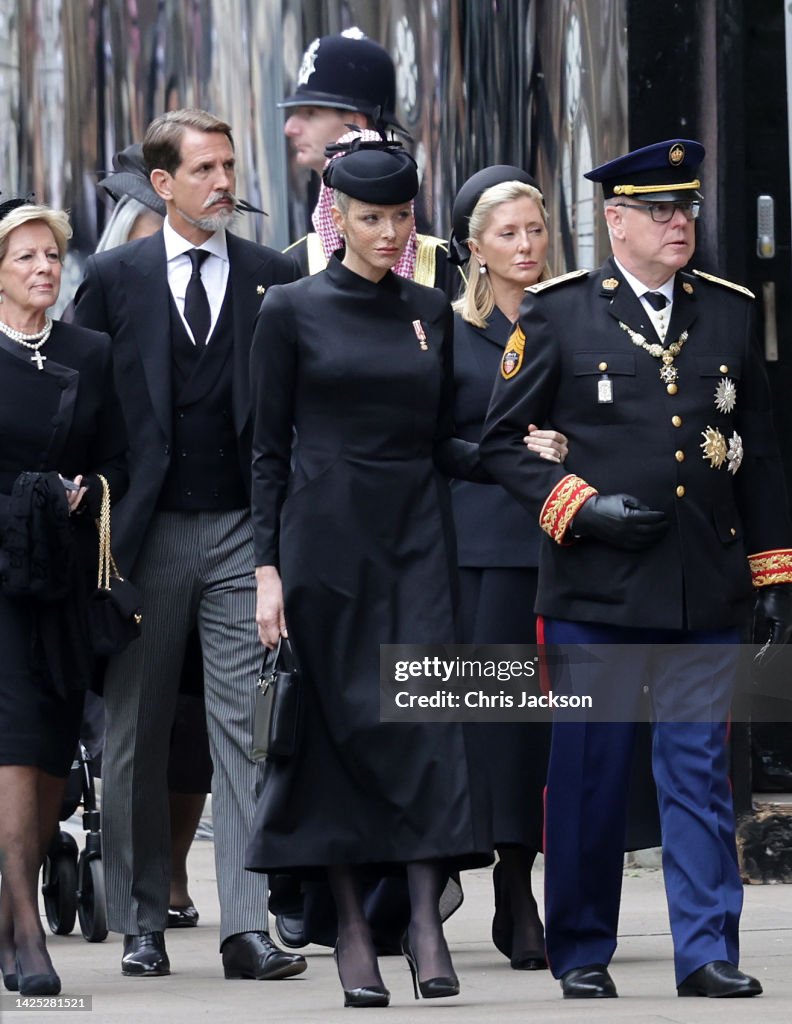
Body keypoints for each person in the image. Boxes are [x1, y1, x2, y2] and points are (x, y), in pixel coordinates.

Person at [480, 138, 792, 999]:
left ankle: (708, 950)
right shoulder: (557, 314)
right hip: (596, 587)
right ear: (614, 221)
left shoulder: (728, 311)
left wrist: (772, 573)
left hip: (704, 581)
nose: (678, 223)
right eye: (659, 210)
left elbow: (758, 451)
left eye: (685, 208)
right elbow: (502, 443)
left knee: (698, 770)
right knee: (591, 772)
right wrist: (580, 506)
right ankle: (580, 947)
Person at [245, 137, 493, 1009]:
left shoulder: (430, 308)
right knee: (339, 733)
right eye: (370, 218)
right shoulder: (289, 309)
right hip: (325, 545)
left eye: (400, 218)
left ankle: (424, 919)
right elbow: (267, 453)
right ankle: (351, 926)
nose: (388, 233)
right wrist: (266, 571)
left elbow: (448, 443)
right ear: (336, 218)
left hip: (419, 539)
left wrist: (522, 450)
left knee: (427, 722)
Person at [72, 108, 305, 981]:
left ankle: (246, 925)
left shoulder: (270, 277)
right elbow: (81, 399)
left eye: (229, 167)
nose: (223, 184)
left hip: (244, 530)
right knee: (132, 732)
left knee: (244, 731)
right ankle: (141, 919)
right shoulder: (114, 277)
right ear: (162, 183)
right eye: (204, 169)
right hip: (147, 534)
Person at [0, 198, 127, 996]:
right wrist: (34, 494)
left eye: (53, 256)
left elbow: (123, 456)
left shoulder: (92, 351)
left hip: (66, 580)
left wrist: (88, 496)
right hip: (0, 580)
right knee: (13, 746)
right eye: (25, 259)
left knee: (51, 752)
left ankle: (12, 904)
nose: (45, 269)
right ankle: (24, 929)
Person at [95, 142, 214, 929]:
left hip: (226, 526)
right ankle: (138, 891)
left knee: (203, 718)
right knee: (142, 715)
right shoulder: (114, 281)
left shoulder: (248, 271)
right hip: (141, 526)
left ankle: (175, 873)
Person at [447, 165, 559, 971]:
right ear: (475, 249)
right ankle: (504, 887)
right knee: (496, 724)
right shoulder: (445, 327)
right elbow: (425, 438)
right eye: (508, 234)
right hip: (484, 550)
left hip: (571, 541)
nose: (526, 247)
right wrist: (505, 457)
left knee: (555, 728)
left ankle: (533, 882)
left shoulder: (582, 317)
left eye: (535, 230)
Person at [280, 28, 460, 294]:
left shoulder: (443, 266)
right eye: (371, 218)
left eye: (310, 112)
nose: (290, 127)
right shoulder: (295, 262)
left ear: (356, 124)